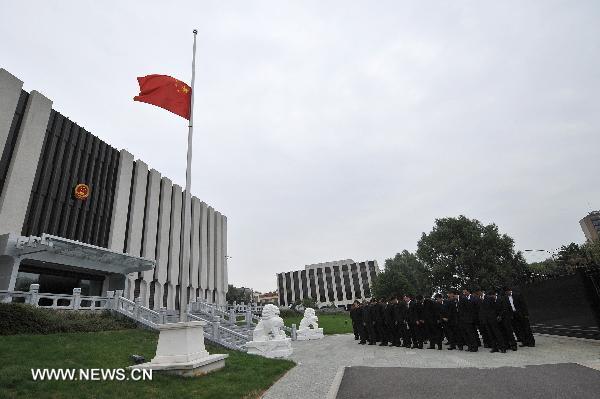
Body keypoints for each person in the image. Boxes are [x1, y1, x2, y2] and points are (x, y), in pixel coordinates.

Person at [458, 288, 478, 352]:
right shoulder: (464, 299)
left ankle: (474, 347)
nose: (464, 294)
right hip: (465, 320)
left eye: (465, 292)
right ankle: (470, 346)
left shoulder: (471, 298)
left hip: (470, 319)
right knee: (468, 334)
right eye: (463, 292)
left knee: (471, 334)